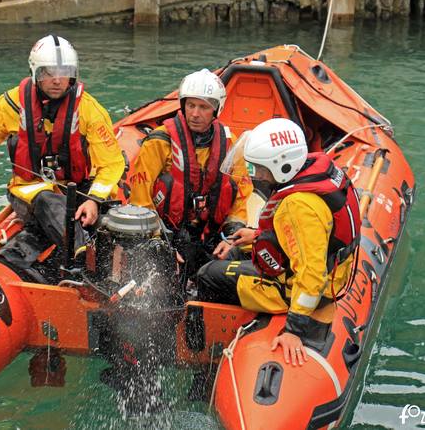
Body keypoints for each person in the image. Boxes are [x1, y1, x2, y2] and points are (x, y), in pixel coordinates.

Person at [196, 118, 361, 366]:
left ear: (282, 167)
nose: (256, 176)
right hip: (325, 266)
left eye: (260, 169)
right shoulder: (317, 172)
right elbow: (304, 240)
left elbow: (312, 274)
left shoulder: (299, 206)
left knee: (208, 275)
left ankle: (207, 361)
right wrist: (256, 237)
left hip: (304, 287)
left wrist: (294, 329)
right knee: (232, 254)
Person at [0, 35, 125, 258]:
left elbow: (111, 163)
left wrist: (94, 199)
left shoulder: (89, 109)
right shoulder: (13, 102)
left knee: (108, 216)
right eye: (48, 73)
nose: (57, 80)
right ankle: (79, 253)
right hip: (30, 188)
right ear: (35, 73)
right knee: (48, 200)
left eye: (65, 73)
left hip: (76, 186)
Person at [128, 68, 252, 282]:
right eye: (191, 105)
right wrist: (159, 241)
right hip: (167, 230)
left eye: (203, 107)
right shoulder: (160, 141)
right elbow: (140, 198)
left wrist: (232, 237)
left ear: (216, 110)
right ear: (183, 105)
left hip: (210, 232)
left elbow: (240, 195)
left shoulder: (229, 143)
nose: (195, 113)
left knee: (237, 260)